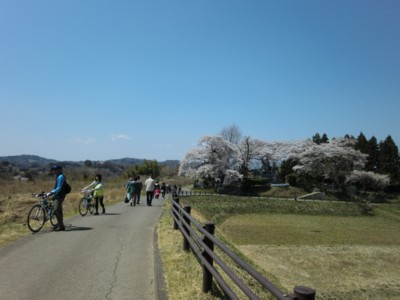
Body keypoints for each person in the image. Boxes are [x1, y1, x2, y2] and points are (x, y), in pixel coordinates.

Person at [46, 165, 67, 231]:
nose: (54, 171)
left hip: (60, 195)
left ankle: (61, 226)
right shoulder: (58, 176)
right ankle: (60, 224)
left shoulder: (60, 177)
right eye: (54, 170)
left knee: (56, 210)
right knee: (59, 210)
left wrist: (51, 192)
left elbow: (59, 188)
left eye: (56, 169)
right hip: (57, 195)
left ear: (60, 170)